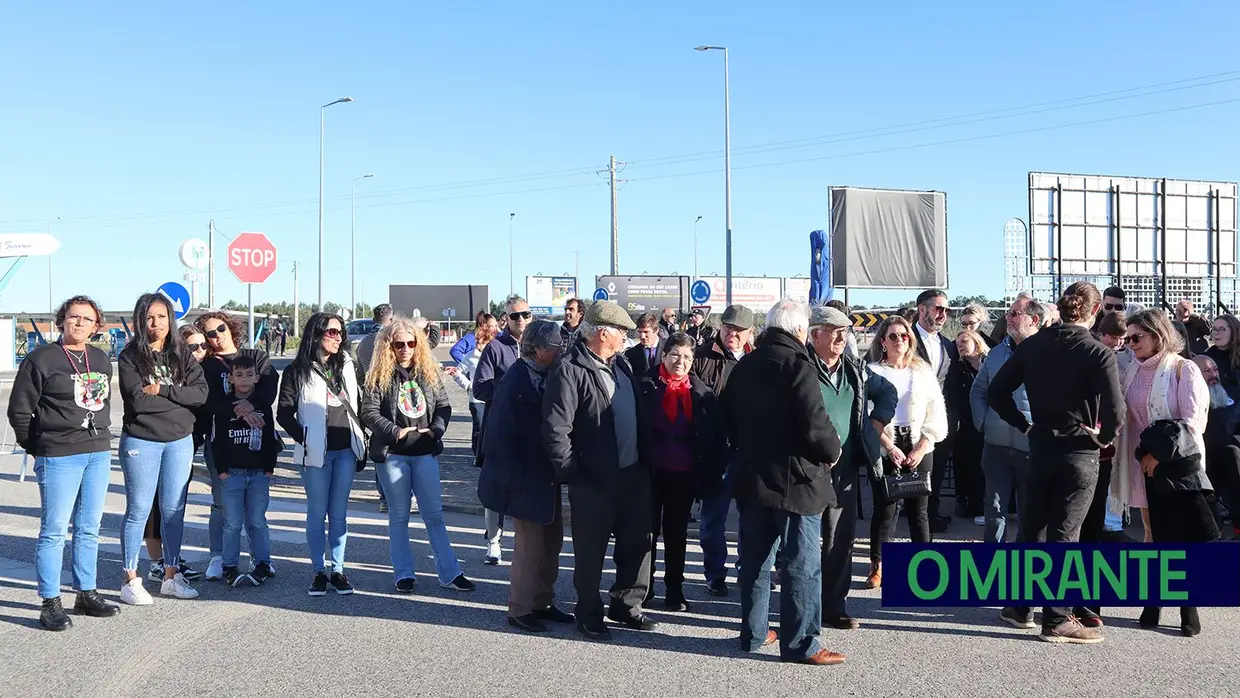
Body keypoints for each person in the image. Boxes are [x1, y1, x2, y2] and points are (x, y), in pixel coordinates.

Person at [989, 281, 1123, 644]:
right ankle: (1057, 617)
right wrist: (1105, 436)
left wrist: (1025, 425)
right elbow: (1115, 409)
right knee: (1066, 534)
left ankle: (1019, 607)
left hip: (1041, 445)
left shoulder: (1033, 345)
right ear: (1095, 312)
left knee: (1033, 528)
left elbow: (996, 392)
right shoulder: (1097, 352)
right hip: (1079, 451)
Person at [721, 298, 844, 666]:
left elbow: (726, 419)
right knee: (801, 565)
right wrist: (832, 450)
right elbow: (815, 423)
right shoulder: (798, 363)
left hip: (753, 478)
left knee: (756, 561)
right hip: (796, 482)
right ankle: (802, 644)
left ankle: (754, 633)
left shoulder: (746, 364)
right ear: (800, 330)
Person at [543, 300, 655, 640]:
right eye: (621, 332)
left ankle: (626, 604)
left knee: (637, 544)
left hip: (632, 472)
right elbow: (555, 429)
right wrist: (572, 472)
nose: (626, 338)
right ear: (603, 333)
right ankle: (588, 612)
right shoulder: (570, 369)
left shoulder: (620, 365)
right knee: (591, 551)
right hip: (592, 478)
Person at [8, 295, 121, 630]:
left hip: (97, 451)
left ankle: (86, 592)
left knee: (89, 528)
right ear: (61, 321)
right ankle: (50, 601)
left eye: (88, 319)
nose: (80, 324)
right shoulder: (41, 359)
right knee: (55, 530)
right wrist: (37, 446)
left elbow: (101, 404)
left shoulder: (100, 359)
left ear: (97, 326)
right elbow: (19, 411)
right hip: (58, 453)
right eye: (74, 317)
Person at [361, 317, 475, 594]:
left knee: (434, 515)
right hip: (394, 454)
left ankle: (450, 572)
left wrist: (436, 430)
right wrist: (395, 431)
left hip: (424, 452)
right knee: (399, 516)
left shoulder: (428, 372)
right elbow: (368, 411)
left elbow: (444, 407)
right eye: (399, 344)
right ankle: (404, 573)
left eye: (411, 343)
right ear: (389, 345)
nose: (405, 349)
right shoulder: (379, 376)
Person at [476, 320, 574, 632]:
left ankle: (542, 602)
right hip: (524, 478)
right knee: (529, 548)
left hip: (547, 474)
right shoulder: (516, 380)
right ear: (537, 349)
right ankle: (519, 608)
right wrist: (514, 478)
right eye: (555, 344)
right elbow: (498, 435)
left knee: (552, 543)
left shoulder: (550, 374)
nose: (561, 348)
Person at [117, 293, 209, 605]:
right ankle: (131, 579)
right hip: (141, 441)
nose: (156, 323)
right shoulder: (130, 356)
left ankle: (171, 576)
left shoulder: (181, 354)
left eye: (162, 316)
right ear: (140, 321)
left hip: (180, 441)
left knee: (174, 511)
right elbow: (138, 401)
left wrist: (164, 390)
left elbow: (200, 394)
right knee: (139, 510)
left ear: (170, 318)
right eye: (150, 317)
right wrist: (177, 399)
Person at [807, 305, 895, 630]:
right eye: (835, 332)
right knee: (802, 540)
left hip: (844, 467)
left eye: (846, 332)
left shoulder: (854, 368)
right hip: (808, 465)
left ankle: (834, 606)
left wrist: (875, 424)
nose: (843, 338)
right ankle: (803, 607)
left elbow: (887, 391)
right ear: (816, 334)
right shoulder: (801, 367)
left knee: (840, 538)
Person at [277, 312, 366, 597]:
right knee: (317, 513)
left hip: (345, 451)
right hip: (316, 453)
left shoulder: (349, 366)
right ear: (316, 334)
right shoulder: (296, 370)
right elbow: (284, 413)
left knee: (338, 513)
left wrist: (362, 437)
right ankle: (318, 570)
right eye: (331, 332)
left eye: (340, 333)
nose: (338, 337)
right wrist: (304, 437)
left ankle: (338, 570)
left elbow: (360, 402)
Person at [637, 332, 722, 613]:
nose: (680, 362)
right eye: (675, 355)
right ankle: (642, 588)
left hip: (683, 473)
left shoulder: (700, 392)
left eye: (687, 357)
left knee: (676, 533)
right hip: (650, 471)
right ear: (664, 355)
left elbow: (710, 437)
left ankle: (674, 588)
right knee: (647, 531)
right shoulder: (646, 385)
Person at [864, 314, 948, 589]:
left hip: (918, 443)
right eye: (893, 336)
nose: (900, 340)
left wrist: (923, 445)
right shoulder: (873, 371)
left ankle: (923, 566)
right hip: (886, 442)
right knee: (885, 509)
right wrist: (888, 447)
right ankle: (878, 566)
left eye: (904, 335)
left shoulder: (922, 372)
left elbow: (937, 411)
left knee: (919, 511)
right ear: (883, 341)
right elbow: (865, 414)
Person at [195, 310, 278, 582]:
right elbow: (208, 399)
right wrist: (241, 410)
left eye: (220, 328)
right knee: (222, 506)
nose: (216, 335)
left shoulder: (256, 357)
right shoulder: (206, 364)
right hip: (222, 442)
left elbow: (268, 388)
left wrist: (252, 404)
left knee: (256, 515)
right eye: (209, 333)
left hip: (255, 448)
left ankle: (259, 559)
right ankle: (219, 557)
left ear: (229, 327)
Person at [1113, 310, 1210, 543]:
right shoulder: (1133, 370)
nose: (1131, 344)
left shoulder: (1183, 369)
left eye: (1136, 338)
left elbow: (1193, 421)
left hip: (1173, 465)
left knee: (1178, 535)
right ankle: (1155, 577)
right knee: (1151, 532)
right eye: (1128, 338)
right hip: (1141, 462)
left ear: (1158, 335)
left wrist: (1159, 455)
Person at [692, 304, 755, 596]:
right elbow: (693, 395)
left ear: (749, 333)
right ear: (720, 327)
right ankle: (715, 574)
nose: (733, 333)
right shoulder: (701, 356)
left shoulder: (758, 359)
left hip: (749, 452)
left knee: (751, 518)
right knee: (713, 519)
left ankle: (748, 570)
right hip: (715, 451)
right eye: (729, 327)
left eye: (739, 330)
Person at [970, 297, 1045, 544]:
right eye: (1008, 313)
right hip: (996, 446)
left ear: (1034, 319)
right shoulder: (995, 354)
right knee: (994, 510)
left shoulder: (1048, 352)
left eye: (1015, 313)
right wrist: (984, 422)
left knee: (1030, 511)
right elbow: (978, 390)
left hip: (1032, 449)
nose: (1008, 318)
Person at [142, 324, 208, 584]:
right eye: (194, 346)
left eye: (204, 346)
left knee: (174, 504)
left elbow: (199, 397)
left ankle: (172, 559)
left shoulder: (201, 371)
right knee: (155, 505)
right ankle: (157, 563)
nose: (201, 350)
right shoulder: (173, 366)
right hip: (161, 439)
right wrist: (181, 396)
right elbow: (151, 396)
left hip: (187, 442)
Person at [211, 354, 281, 587]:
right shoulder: (222, 405)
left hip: (258, 473)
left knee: (258, 520)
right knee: (232, 522)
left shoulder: (262, 405)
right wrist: (222, 471)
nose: (244, 379)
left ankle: (263, 562)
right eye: (238, 375)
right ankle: (229, 565)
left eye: (249, 375)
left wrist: (269, 468)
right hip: (232, 473)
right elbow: (216, 441)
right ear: (230, 378)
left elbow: (271, 439)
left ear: (256, 377)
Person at [474, 295, 533, 565]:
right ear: (505, 319)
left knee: (526, 489)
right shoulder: (495, 348)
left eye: (525, 314)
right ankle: (494, 543)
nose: (520, 319)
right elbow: (480, 387)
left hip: (530, 432)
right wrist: (510, 387)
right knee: (496, 490)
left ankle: (525, 543)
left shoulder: (539, 345)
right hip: (500, 430)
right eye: (514, 316)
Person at [913, 289, 959, 530]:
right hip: (908, 420)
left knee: (936, 470)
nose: (943, 315)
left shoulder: (948, 346)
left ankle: (931, 513)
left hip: (938, 422)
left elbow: (950, 384)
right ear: (922, 309)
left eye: (947, 311)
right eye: (938, 309)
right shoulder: (902, 337)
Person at [1193, 354, 1240, 538]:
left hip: (1231, 449)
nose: (1213, 374)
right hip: (1203, 451)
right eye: (1206, 371)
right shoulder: (1191, 397)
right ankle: (1212, 527)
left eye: (1215, 369)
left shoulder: (1232, 392)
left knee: (1232, 453)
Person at [357, 304, 395, 513]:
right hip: (391, 399)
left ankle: (383, 497)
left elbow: (360, 376)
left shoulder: (363, 343)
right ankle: (397, 496)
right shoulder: (389, 341)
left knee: (380, 448)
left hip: (371, 400)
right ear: (390, 318)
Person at [952, 328, 990, 524]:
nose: (960, 345)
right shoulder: (958, 368)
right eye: (958, 343)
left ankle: (983, 505)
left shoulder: (990, 363)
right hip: (966, 424)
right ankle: (968, 501)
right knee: (967, 463)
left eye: (964, 341)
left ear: (976, 342)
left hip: (989, 422)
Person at [450, 313, 499, 462]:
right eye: (494, 326)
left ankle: (492, 454)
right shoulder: (471, 356)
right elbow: (457, 372)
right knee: (479, 428)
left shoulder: (496, 353)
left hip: (494, 397)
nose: (497, 329)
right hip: (477, 399)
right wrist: (469, 386)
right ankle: (478, 455)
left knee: (494, 426)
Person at [1205, 314, 1240, 400]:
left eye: (1222, 329)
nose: (1216, 332)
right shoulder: (1207, 357)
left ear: (1233, 331)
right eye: (1214, 329)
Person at [625, 312, 664, 376]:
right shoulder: (631, 354)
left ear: (656, 330)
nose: (642, 336)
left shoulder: (668, 348)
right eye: (640, 332)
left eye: (646, 332)